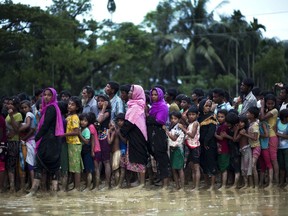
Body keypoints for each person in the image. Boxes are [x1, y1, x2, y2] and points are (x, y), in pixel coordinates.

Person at [28, 88, 64, 196]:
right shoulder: (52, 108)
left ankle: (33, 192)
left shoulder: (51, 108)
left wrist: (36, 138)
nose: (46, 97)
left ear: (53, 96)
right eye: (45, 95)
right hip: (54, 141)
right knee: (54, 167)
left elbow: (45, 126)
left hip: (48, 141)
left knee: (39, 165)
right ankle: (54, 194)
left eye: (49, 95)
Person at [120, 85, 149, 188]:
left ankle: (142, 183)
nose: (129, 93)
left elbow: (129, 123)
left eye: (132, 91)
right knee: (136, 157)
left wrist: (121, 131)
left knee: (139, 158)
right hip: (134, 135)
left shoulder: (136, 107)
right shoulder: (134, 105)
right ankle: (139, 182)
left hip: (138, 135)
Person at [147, 87, 170, 189]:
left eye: (155, 95)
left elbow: (159, 121)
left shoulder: (163, 106)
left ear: (160, 95)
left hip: (159, 135)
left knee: (162, 159)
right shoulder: (153, 106)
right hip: (153, 134)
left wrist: (147, 116)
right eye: (152, 95)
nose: (153, 96)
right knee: (157, 158)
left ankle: (165, 185)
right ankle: (161, 182)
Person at [63, 96, 83, 192]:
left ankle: (77, 187)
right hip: (70, 142)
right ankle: (75, 186)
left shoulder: (75, 117)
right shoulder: (69, 116)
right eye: (69, 104)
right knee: (73, 166)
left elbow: (76, 132)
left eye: (72, 104)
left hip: (74, 143)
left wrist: (63, 134)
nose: (70, 106)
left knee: (76, 167)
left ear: (77, 107)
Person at [179, 106, 201, 191]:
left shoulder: (195, 123)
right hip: (190, 146)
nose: (191, 116)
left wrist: (183, 128)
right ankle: (194, 186)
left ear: (197, 115)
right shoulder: (191, 124)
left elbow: (192, 135)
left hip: (195, 147)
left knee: (196, 168)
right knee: (192, 168)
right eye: (190, 115)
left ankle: (197, 187)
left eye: (193, 114)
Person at [198, 99, 218, 191]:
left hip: (209, 144)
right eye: (206, 106)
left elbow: (211, 131)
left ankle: (212, 185)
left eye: (209, 106)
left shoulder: (212, 116)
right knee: (203, 163)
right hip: (200, 144)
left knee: (211, 162)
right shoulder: (199, 117)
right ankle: (207, 183)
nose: (208, 108)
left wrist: (206, 141)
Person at [259, 94, 279, 185]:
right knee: (269, 159)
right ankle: (272, 181)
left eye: (272, 103)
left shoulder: (274, 110)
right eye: (268, 103)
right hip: (267, 137)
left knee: (273, 159)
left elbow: (262, 118)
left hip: (272, 136)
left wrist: (262, 106)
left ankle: (276, 181)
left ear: (275, 104)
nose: (270, 105)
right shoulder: (267, 110)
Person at [163, 111, 185, 191]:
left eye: (175, 118)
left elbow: (174, 138)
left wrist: (166, 131)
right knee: (173, 168)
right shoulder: (172, 127)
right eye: (171, 118)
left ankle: (182, 187)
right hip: (172, 150)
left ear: (179, 119)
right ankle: (177, 186)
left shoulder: (179, 127)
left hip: (178, 149)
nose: (173, 120)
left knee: (179, 168)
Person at [18, 100, 37, 191]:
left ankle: (33, 186)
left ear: (29, 107)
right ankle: (31, 184)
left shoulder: (29, 114)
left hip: (31, 142)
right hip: (31, 141)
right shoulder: (30, 115)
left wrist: (17, 130)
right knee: (30, 164)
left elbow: (29, 127)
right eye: (22, 108)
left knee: (30, 164)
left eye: (26, 107)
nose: (24, 109)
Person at [5, 96, 23, 192]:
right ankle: (12, 185)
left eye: (12, 104)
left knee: (12, 163)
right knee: (9, 164)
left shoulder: (18, 115)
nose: (9, 105)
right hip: (8, 141)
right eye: (9, 104)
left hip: (14, 142)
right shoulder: (7, 114)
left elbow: (17, 129)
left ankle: (13, 187)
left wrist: (11, 116)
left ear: (16, 105)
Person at [95, 94, 112, 190]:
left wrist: (104, 108)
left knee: (106, 161)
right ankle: (98, 184)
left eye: (102, 101)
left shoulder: (107, 111)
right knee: (99, 161)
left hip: (104, 136)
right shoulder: (99, 111)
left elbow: (99, 120)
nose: (99, 102)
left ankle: (107, 184)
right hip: (98, 136)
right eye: (98, 101)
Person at [222, 112, 241, 189]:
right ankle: (232, 183)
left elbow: (235, 139)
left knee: (237, 169)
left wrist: (226, 136)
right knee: (231, 168)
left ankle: (235, 184)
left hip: (236, 151)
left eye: (228, 123)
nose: (226, 124)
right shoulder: (229, 128)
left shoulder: (237, 129)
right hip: (230, 150)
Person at [214, 109, 230, 191]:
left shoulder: (224, 126)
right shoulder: (220, 125)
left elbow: (221, 137)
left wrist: (214, 134)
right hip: (220, 149)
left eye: (222, 117)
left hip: (224, 149)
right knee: (221, 168)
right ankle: (222, 184)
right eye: (219, 117)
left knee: (224, 169)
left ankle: (223, 185)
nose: (220, 118)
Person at [78, 113, 93, 191]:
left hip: (87, 151)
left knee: (88, 170)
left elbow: (87, 141)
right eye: (82, 120)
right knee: (84, 170)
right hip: (82, 151)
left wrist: (80, 135)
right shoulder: (80, 129)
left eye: (85, 121)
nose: (83, 122)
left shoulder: (86, 130)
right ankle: (86, 185)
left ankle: (88, 186)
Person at [258, 120, 273, 188]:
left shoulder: (264, 124)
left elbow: (266, 135)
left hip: (264, 147)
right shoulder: (259, 123)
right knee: (263, 166)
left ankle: (270, 183)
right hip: (260, 147)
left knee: (268, 165)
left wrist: (259, 135)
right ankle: (261, 183)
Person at [115, 113, 128, 188]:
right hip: (120, 151)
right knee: (123, 169)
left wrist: (119, 133)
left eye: (121, 121)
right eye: (118, 121)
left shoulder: (124, 130)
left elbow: (125, 141)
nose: (119, 122)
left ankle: (119, 185)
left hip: (124, 151)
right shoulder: (118, 129)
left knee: (123, 169)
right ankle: (126, 183)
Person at [276, 109, 288, 188]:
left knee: (287, 166)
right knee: (281, 166)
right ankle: (281, 182)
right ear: (284, 117)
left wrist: (278, 134)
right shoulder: (277, 122)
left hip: (287, 148)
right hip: (279, 148)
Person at [107, 120, 121, 187]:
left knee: (116, 170)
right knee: (115, 170)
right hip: (114, 152)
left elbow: (109, 142)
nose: (110, 127)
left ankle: (117, 185)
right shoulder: (114, 132)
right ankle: (116, 184)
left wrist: (107, 133)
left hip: (116, 152)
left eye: (111, 125)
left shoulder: (114, 132)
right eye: (109, 125)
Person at [0, 101, 7, 192]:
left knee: (1, 167)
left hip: (1, 144)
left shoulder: (0, 119)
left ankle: (1, 187)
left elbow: (0, 134)